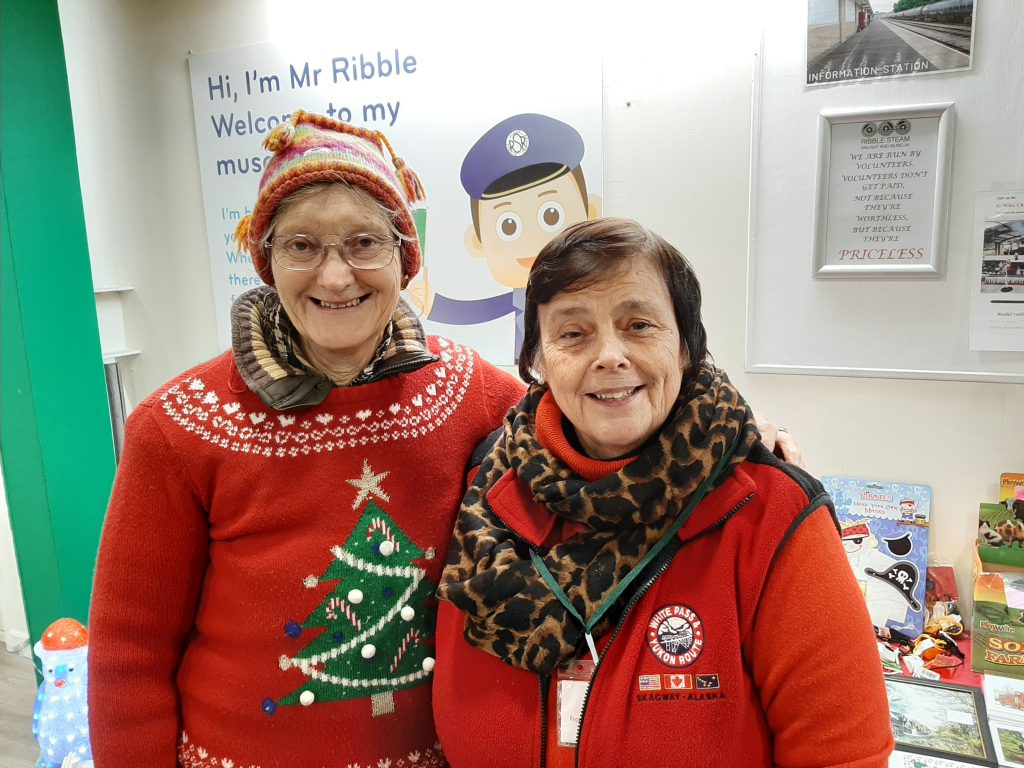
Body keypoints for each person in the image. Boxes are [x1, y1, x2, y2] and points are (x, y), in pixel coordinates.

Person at [87, 110, 527, 768]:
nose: (335, 276)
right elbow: (130, 655)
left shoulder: (476, 397)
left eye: (363, 243)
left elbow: (593, 442)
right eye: (301, 246)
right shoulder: (176, 426)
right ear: (266, 259)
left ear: (405, 257)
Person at [435, 218, 893, 767]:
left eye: (639, 325)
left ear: (685, 348)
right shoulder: (488, 482)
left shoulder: (770, 512)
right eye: (572, 333)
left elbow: (843, 755)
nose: (609, 355)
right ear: (539, 359)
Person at [415, 113, 601, 361]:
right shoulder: (518, 299)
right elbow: (478, 311)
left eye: (551, 215)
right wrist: (431, 303)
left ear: (592, 215)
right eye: (509, 225)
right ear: (477, 241)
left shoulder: (593, 292)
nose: (533, 242)